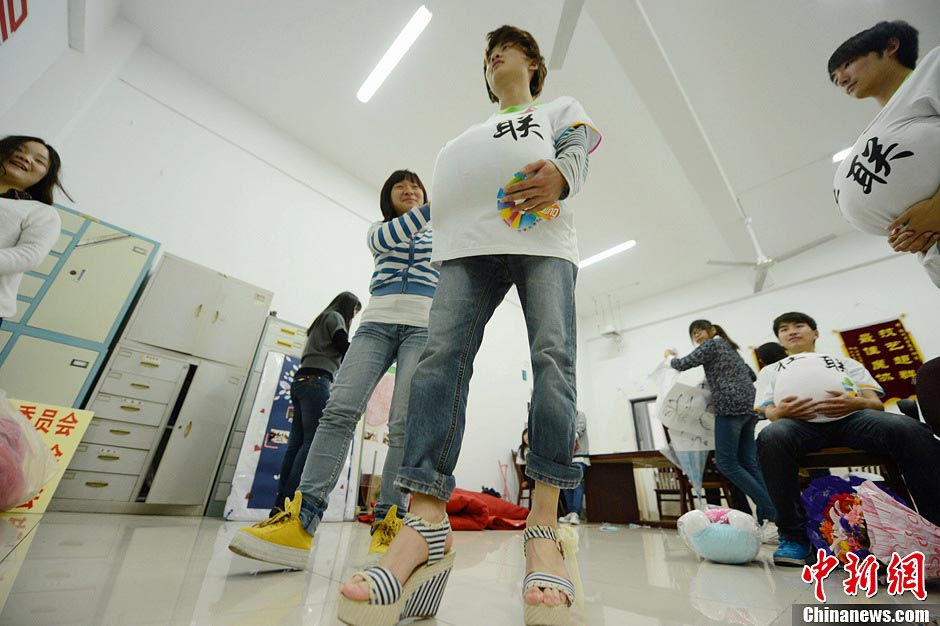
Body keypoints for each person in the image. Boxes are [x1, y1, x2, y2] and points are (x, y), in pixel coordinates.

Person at [337, 25, 601, 626]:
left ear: (534, 63)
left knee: (552, 361)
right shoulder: (468, 134)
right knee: (438, 361)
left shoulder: (560, 107)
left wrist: (562, 176)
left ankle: (544, 523)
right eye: (487, 54)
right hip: (465, 249)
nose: (494, 57)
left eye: (506, 49)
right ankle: (426, 521)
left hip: (544, 239)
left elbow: (578, 150)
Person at [229, 170, 437, 566]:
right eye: (400, 186)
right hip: (376, 324)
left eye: (416, 186)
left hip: (424, 327)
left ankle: (388, 523)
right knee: (338, 411)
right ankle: (302, 519)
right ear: (387, 197)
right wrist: (435, 207)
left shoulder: (440, 232)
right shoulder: (380, 230)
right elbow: (391, 238)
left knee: (404, 424)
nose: (410, 190)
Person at [755, 312, 940, 567]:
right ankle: (793, 537)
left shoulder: (845, 362)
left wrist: (857, 402)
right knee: (771, 436)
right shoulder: (770, 370)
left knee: (908, 428)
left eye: (799, 325)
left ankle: (935, 526)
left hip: (853, 419)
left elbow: (875, 404)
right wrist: (781, 412)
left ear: (815, 333)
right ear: (780, 340)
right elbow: (769, 411)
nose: (792, 331)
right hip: (799, 424)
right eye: (784, 329)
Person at [829, 21, 940, 287]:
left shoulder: (932, 69)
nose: (841, 79)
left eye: (848, 64)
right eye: (835, 78)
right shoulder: (880, 126)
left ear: (891, 46)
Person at [665, 320, 776, 536]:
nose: (697, 337)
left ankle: (772, 512)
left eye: (700, 332)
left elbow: (681, 364)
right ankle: (769, 522)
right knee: (749, 464)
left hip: (729, 406)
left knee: (727, 463)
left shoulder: (712, 345)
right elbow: (751, 375)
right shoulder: (730, 349)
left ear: (712, 331)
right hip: (749, 409)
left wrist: (669, 356)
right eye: (694, 334)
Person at [268, 291, 361, 513]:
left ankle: (281, 502)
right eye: (355, 311)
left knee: (296, 443)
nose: (354, 316)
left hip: (301, 381)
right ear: (348, 306)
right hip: (316, 381)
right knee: (310, 443)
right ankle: (291, 502)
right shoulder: (336, 317)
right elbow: (343, 346)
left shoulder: (322, 319)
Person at [0, 135, 66, 326]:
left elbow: (29, 255)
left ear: (45, 177)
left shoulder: (41, 212)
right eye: (19, 150)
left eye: (39, 161)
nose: (25, 158)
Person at [559, 410, 589, 525]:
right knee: (565, 485)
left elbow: (578, 432)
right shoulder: (562, 418)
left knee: (577, 484)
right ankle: (570, 512)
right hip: (566, 457)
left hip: (579, 455)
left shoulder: (579, 415)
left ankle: (576, 513)